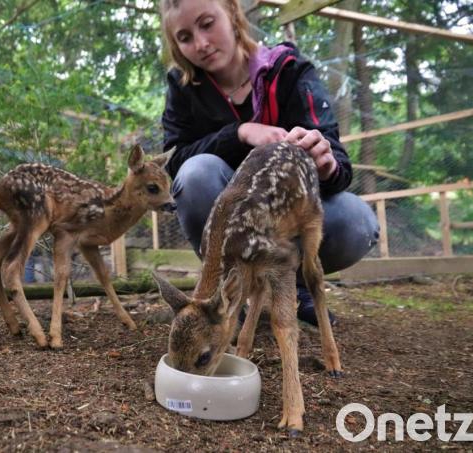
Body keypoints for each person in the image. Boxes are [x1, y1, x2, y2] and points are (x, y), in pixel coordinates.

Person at [159, 0, 380, 326]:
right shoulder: (182, 87)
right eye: (185, 37)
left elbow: (340, 166)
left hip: (290, 212)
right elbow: (174, 160)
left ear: (233, 13)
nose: (201, 43)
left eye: (207, 23)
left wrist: (325, 163)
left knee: (357, 221)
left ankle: (296, 288)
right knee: (195, 174)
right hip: (229, 213)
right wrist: (241, 132)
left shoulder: (290, 69)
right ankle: (229, 291)